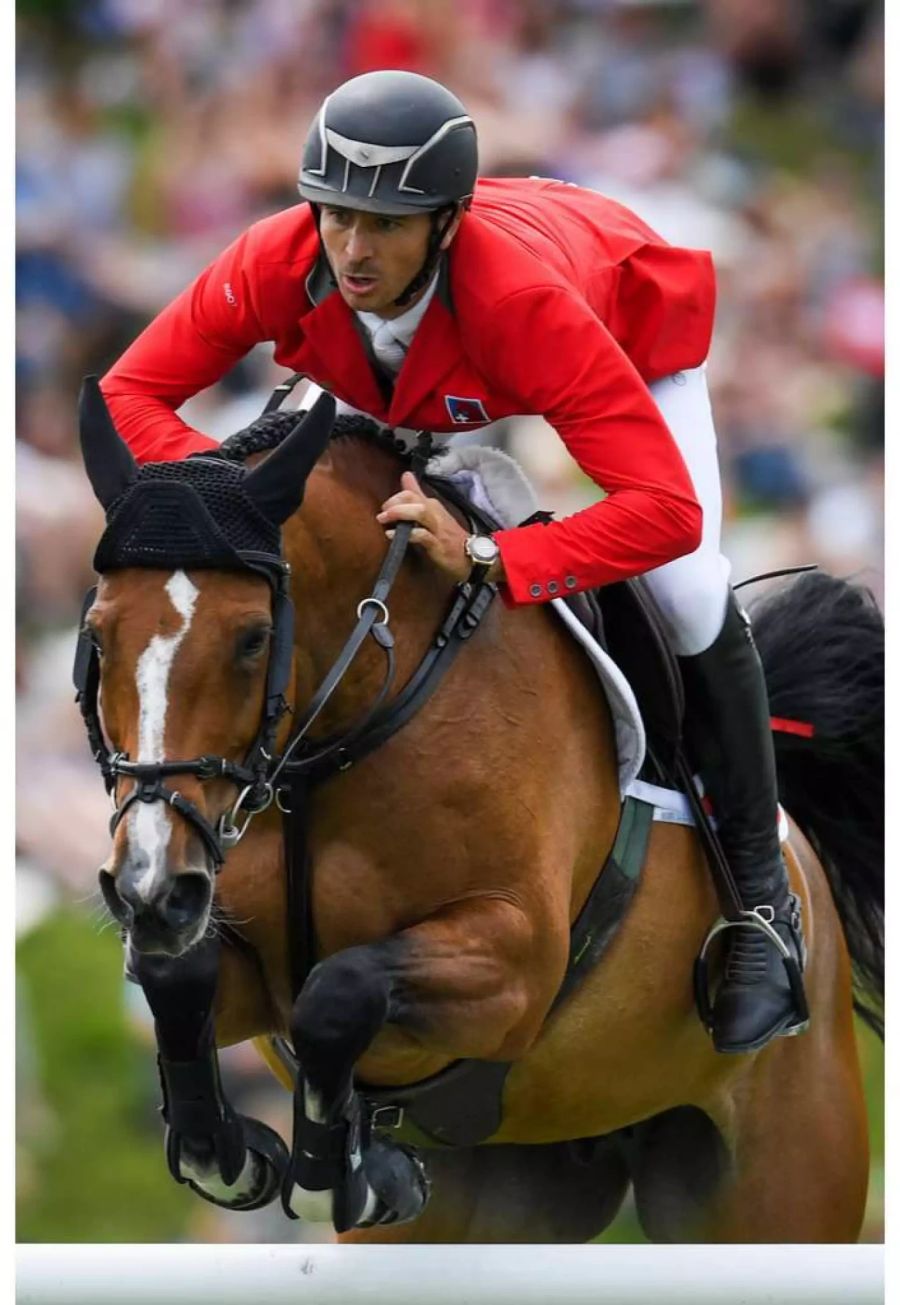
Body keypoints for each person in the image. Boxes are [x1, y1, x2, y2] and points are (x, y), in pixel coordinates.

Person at [100, 69, 807, 1055]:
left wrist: (488, 553)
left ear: (443, 224)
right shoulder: (281, 258)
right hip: (396, 380)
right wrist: (230, 508)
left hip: (618, 336)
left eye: (385, 224)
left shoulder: (519, 301)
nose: (352, 250)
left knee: (688, 594)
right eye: (336, 216)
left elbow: (664, 512)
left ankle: (764, 910)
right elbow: (127, 399)